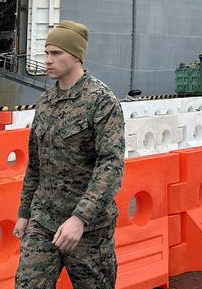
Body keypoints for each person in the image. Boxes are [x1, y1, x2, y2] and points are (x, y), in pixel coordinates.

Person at [14, 21, 126, 289]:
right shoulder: (45, 103)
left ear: (76, 56)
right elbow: (35, 164)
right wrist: (24, 211)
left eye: (56, 53)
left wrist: (80, 218)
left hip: (88, 228)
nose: (48, 60)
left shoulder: (101, 101)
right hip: (43, 220)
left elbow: (110, 166)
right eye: (47, 53)